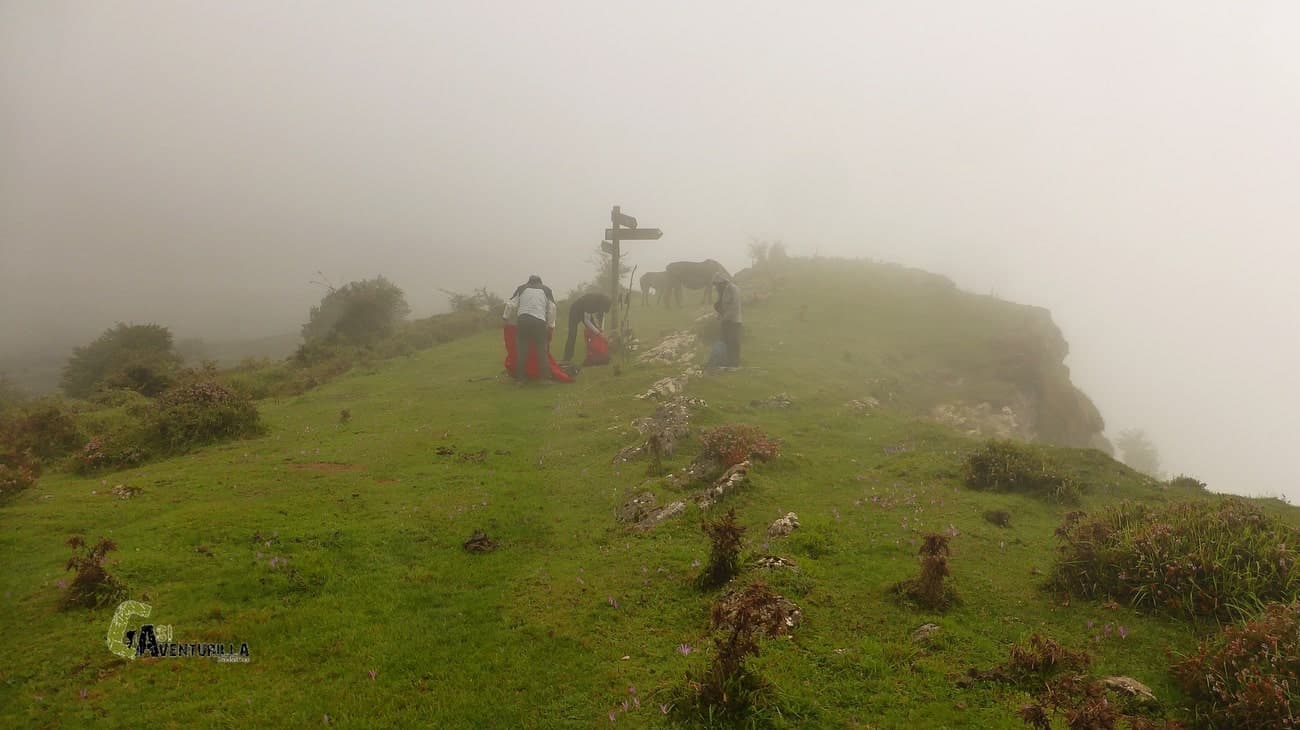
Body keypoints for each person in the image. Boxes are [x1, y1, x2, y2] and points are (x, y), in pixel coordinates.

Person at [508, 275, 557, 382]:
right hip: (539, 321)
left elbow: (511, 305)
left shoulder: (521, 288)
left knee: (522, 351)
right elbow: (552, 308)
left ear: (529, 282)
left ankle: (521, 378)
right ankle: (544, 379)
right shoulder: (546, 290)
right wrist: (550, 325)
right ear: (540, 282)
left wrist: (506, 317)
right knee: (541, 350)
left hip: (523, 320)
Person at [562, 291, 612, 363]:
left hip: (586, 313)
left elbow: (602, 316)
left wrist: (601, 330)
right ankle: (567, 358)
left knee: (596, 331)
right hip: (575, 310)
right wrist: (598, 333)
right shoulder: (591, 301)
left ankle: (596, 353)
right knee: (572, 334)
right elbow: (586, 320)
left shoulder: (602, 303)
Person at [712, 272, 742, 367]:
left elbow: (734, 306)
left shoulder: (733, 289)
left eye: (717, 284)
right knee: (726, 342)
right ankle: (727, 361)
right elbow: (722, 305)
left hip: (734, 320)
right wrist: (719, 313)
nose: (716, 287)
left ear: (722, 282)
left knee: (733, 342)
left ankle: (735, 363)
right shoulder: (722, 290)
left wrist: (724, 318)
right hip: (725, 320)